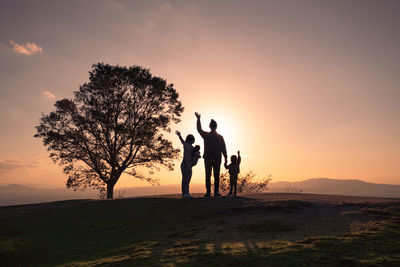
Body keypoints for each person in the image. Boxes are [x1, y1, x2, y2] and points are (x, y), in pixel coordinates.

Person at [195, 112, 227, 197]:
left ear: (214, 127)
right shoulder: (209, 135)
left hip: (214, 158)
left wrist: (226, 159)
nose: (213, 127)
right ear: (211, 126)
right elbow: (199, 129)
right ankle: (209, 192)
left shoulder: (216, 137)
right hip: (210, 158)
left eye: (213, 126)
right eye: (212, 126)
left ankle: (213, 191)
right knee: (210, 175)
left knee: (213, 175)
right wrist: (198, 119)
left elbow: (223, 149)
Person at [176, 130, 198, 198]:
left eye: (192, 139)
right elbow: (182, 141)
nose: (192, 140)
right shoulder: (186, 145)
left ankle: (187, 193)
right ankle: (184, 193)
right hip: (185, 165)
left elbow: (195, 154)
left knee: (188, 180)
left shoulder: (193, 147)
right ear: (188, 140)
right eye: (191, 139)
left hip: (190, 165)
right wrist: (179, 135)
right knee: (185, 179)